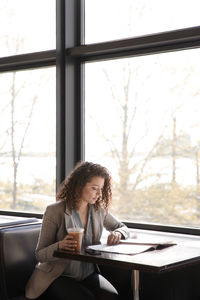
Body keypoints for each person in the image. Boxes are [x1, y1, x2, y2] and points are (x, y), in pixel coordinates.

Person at [25, 161, 130, 300]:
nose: (99, 194)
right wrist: (59, 246)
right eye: (94, 188)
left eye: (101, 189)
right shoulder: (54, 211)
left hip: (88, 274)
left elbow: (122, 227)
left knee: (112, 297)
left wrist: (118, 233)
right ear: (80, 185)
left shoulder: (98, 210)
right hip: (59, 275)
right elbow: (40, 254)